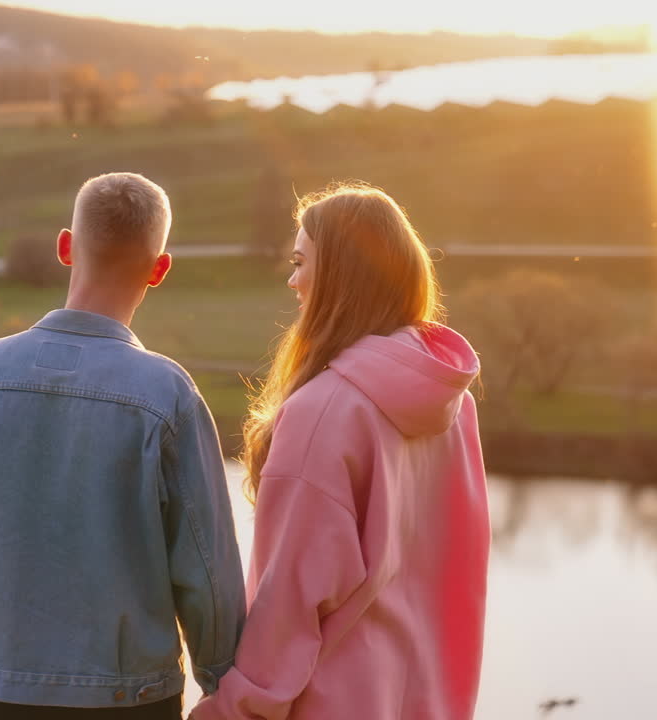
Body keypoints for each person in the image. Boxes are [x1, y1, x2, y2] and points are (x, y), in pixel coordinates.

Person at [0, 172, 245, 719]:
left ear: (66, 247)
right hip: (129, 702)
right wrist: (223, 680)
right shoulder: (167, 396)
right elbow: (206, 570)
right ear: (159, 269)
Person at [190, 183, 490, 720]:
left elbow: (291, 601)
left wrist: (230, 711)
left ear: (339, 276)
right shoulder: (454, 406)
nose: (293, 280)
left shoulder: (323, 413)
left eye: (302, 261)